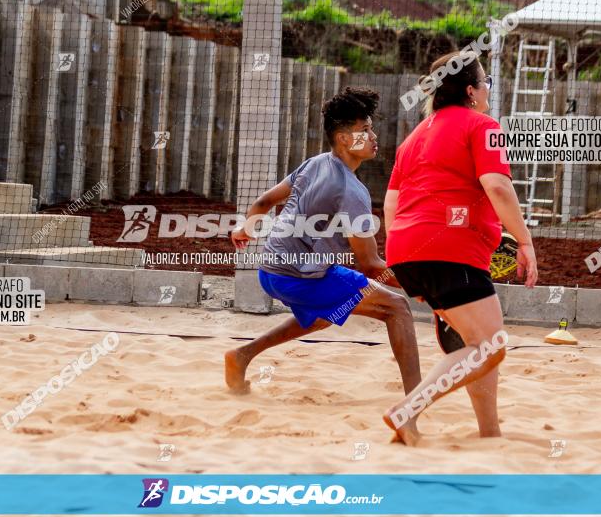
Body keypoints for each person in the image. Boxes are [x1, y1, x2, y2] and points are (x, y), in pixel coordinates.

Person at [225, 87, 421, 414]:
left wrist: (243, 229)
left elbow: (262, 203)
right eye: (365, 130)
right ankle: (418, 397)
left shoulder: (315, 163)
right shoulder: (352, 193)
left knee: (325, 314)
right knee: (397, 307)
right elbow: (372, 266)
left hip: (269, 269)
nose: (374, 136)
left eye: (371, 128)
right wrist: (421, 284)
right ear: (344, 139)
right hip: (299, 277)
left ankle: (241, 356)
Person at [382, 51, 538, 445]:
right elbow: (498, 186)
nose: (488, 90)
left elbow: (390, 204)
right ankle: (407, 411)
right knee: (490, 345)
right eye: (486, 83)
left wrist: (405, 251)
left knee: (475, 344)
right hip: (451, 250)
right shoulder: (483, 126)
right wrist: (524, 240)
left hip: (406, 250)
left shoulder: (415, 136)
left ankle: (490, 432)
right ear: (471, 91)